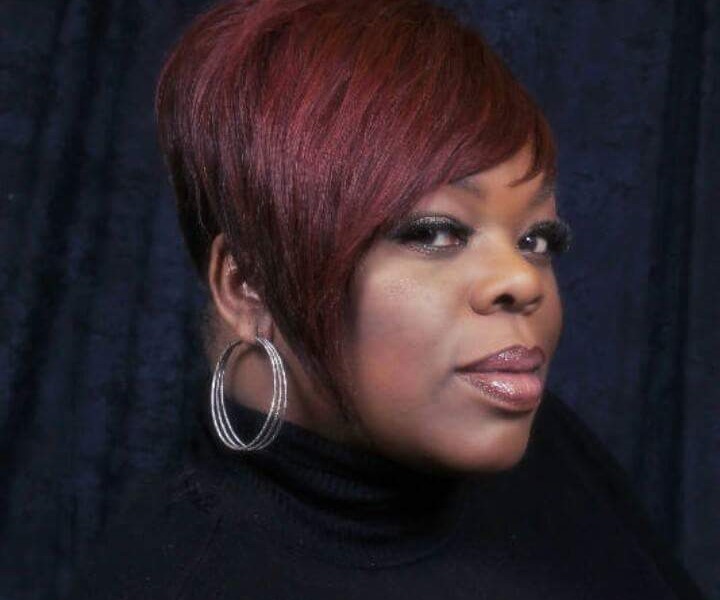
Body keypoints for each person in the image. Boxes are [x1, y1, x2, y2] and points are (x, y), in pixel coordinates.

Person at [72, 0, 706, 598]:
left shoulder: (545, 450)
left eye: (536, 239)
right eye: (434, 233)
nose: (523, 279)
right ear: (247, 286)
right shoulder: (188, 579)